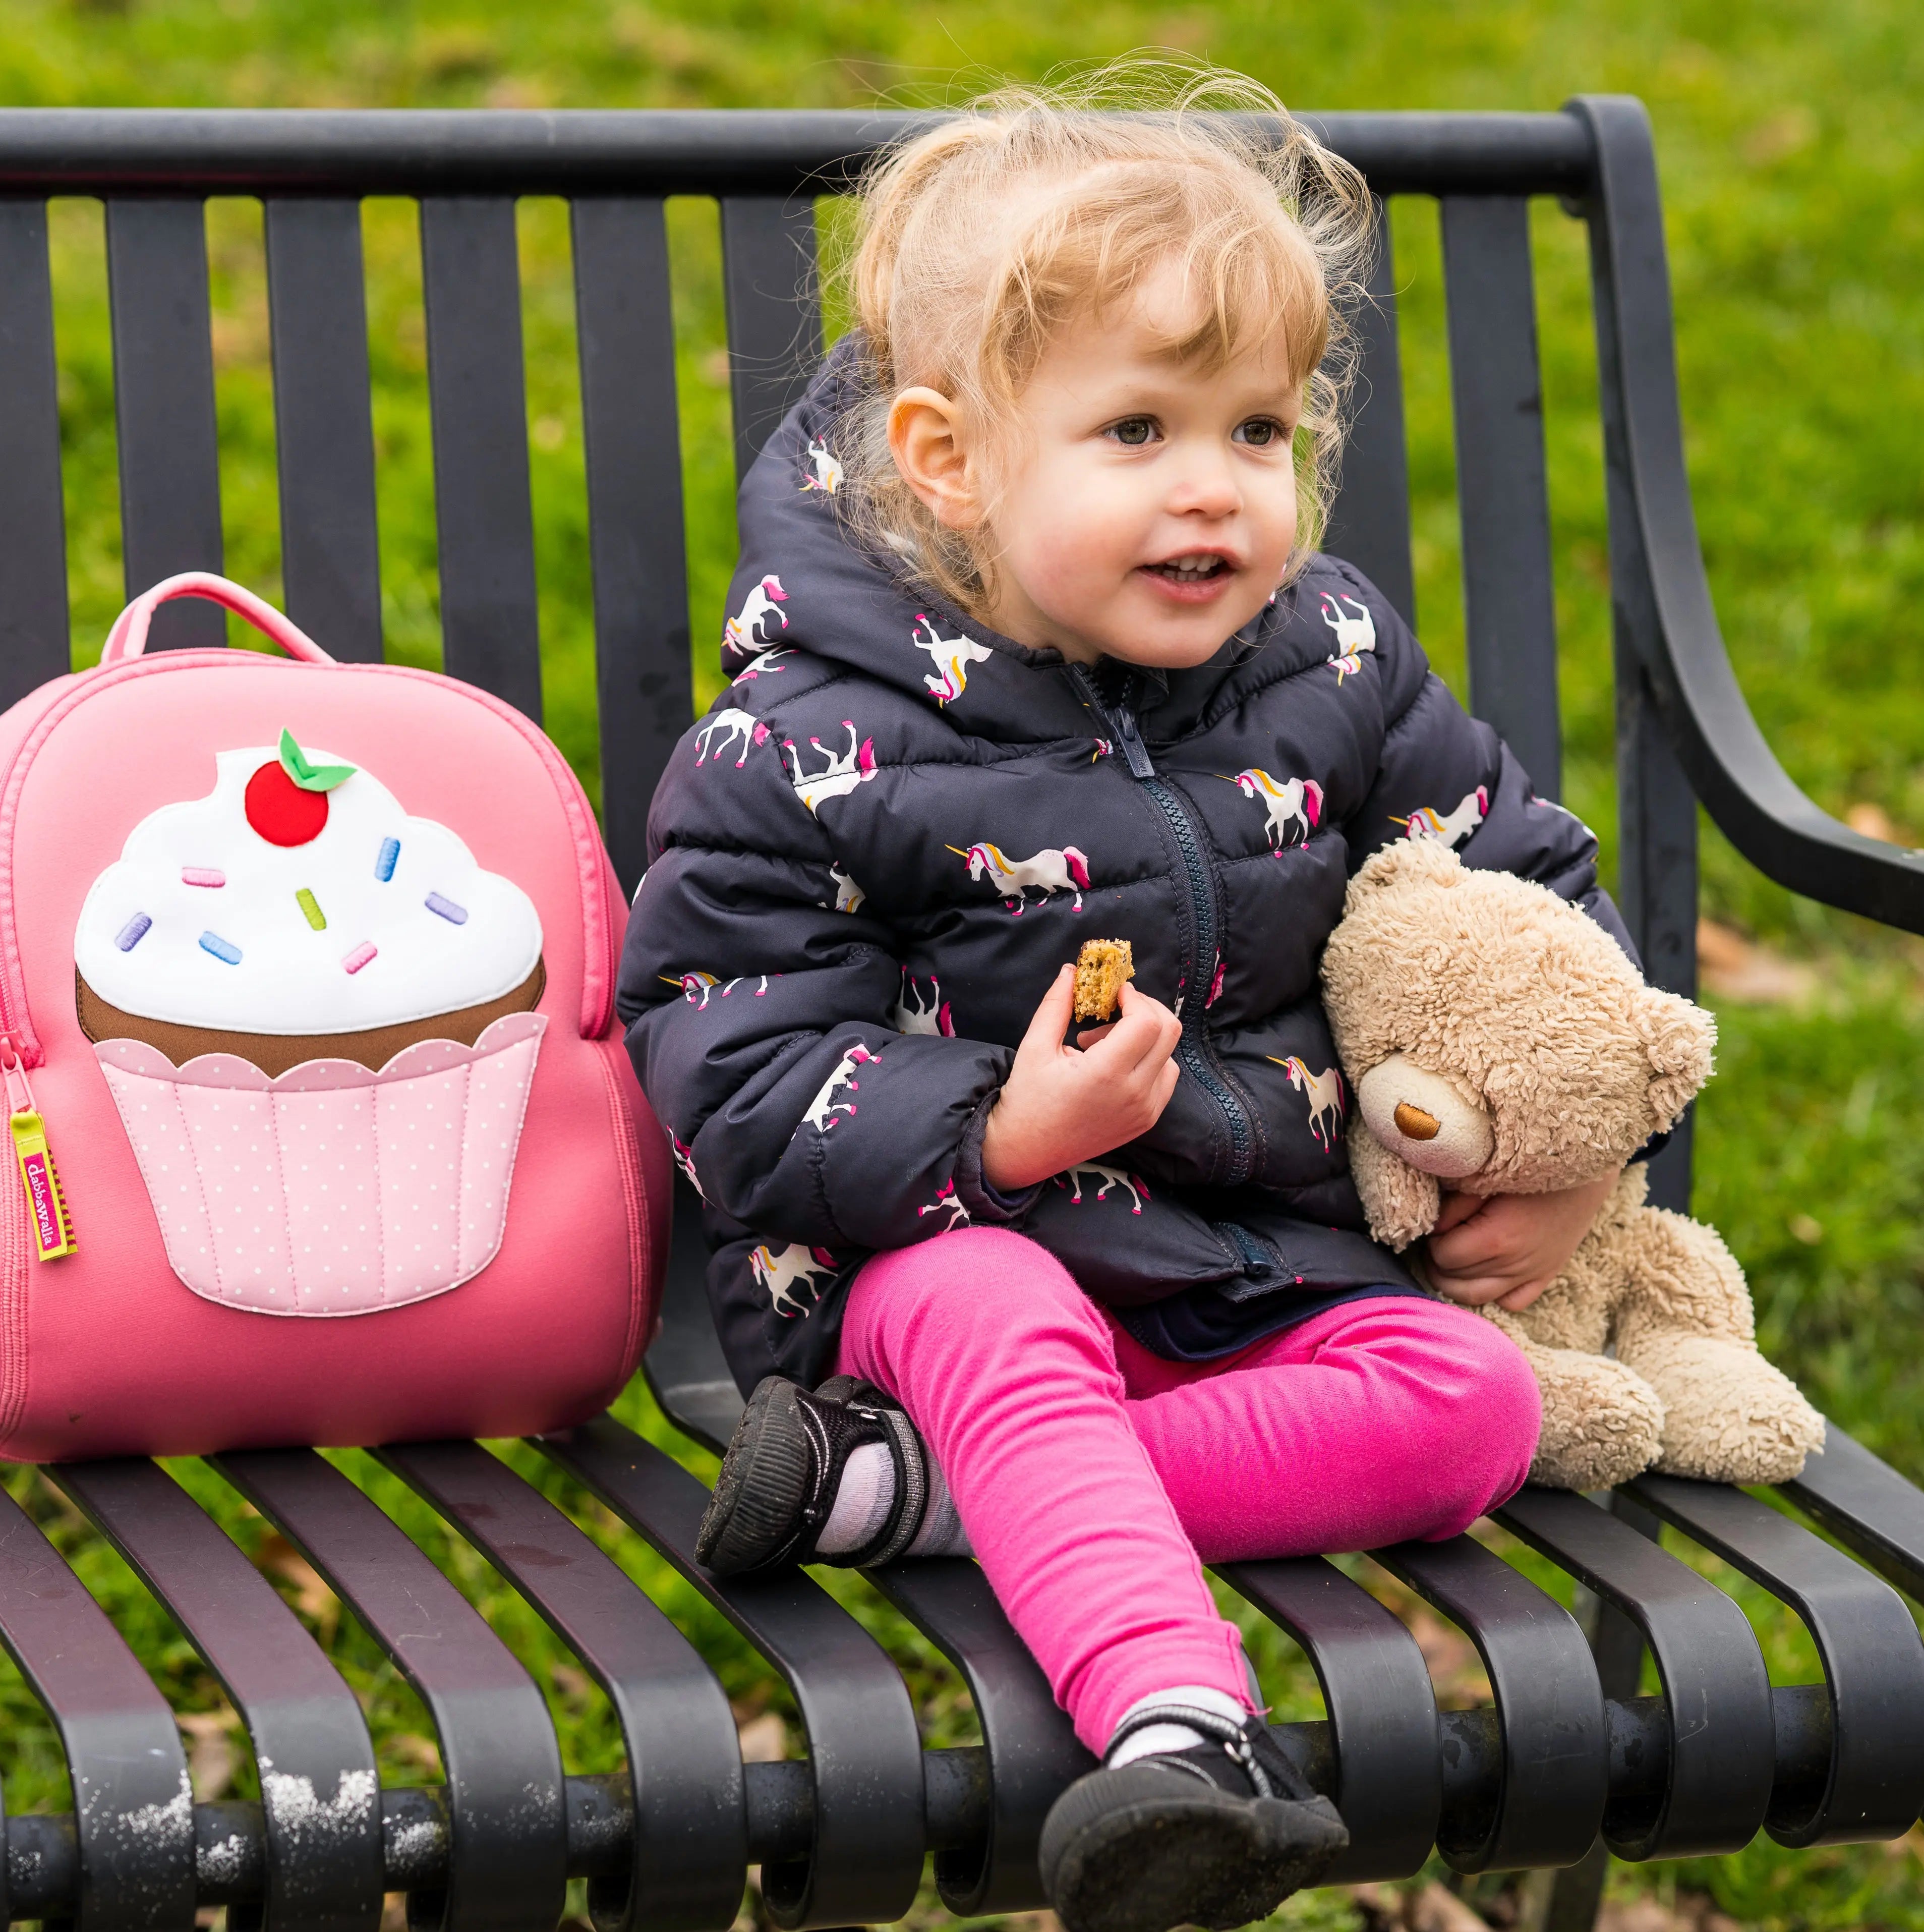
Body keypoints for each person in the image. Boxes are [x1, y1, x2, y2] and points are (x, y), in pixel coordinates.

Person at [617, 65, 1633, 1932]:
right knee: (998, 1304)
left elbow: (1520, 886)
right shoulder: (803, 743)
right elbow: (727, 1061)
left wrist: (1578, 1133)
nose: (1213, 488)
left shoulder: (1325, 654)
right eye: (1138, 427)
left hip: (1242, 1262)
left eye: (1258, 429)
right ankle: (1181, 1739)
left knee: (1474, 1404)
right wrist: (997, 1132)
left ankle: (917, 1500)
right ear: (947, 457)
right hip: (930, 1273)